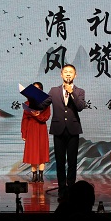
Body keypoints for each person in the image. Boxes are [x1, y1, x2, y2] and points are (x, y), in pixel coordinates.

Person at [37, 64, 86, 199]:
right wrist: (33, 96)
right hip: (58, 130)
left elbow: (80, 106)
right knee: (59, 162)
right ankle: (62, 190)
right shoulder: (53, 91)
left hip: (73, 130)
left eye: (71, 72)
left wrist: (72, 92)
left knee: (72, 162)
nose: (68, 74)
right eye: (65, 72)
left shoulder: (79, 91)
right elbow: (42, 105)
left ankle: (71, 189)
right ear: (61, 74)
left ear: (75, 75)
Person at [21, 82, 51, 183]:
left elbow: (46, 117)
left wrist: (37, 115)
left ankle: (41, 175)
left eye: (38, 88)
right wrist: (24, 133)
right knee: (32, 152)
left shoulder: (46, 103)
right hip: (31, 129)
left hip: (41, 128)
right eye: (34, 89)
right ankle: (34, 175)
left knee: (42, 151)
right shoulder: (27, 103)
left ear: (41, 90)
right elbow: (24, 119)